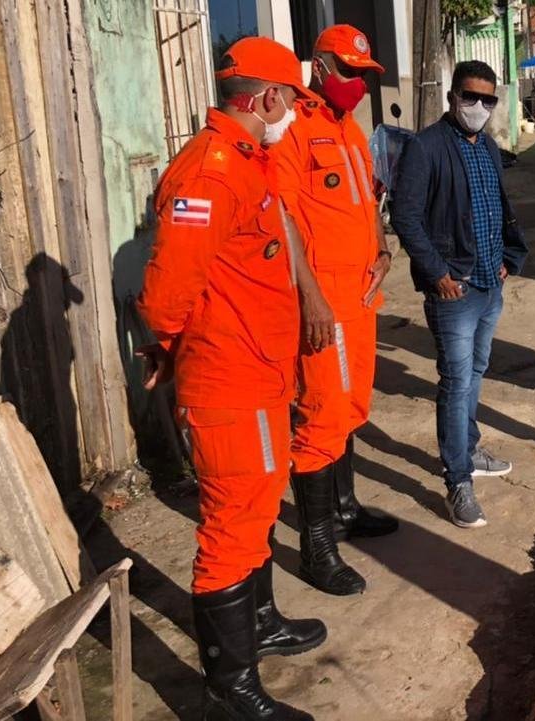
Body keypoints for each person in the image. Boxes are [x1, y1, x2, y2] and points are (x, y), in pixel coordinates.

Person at [138, 37, 322, 721]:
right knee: (230, 530)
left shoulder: (252, 159)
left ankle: (262, 621)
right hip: (229, 380)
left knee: (257, 511)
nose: (296, 113)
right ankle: (229, 688)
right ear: (269, 98)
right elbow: (166, 292)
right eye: (294, 101)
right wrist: (165, 345)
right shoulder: (212, 174)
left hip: (262, 372)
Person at [270, 24, 397, 598]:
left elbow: (366, 201)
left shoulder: (348, 130)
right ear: (319, 69)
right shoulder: (294, 129)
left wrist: (383, 247)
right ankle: (317, 547)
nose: (357, 85)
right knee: (320, 419)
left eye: (365, 76)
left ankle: (344, 508)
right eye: (347, 72)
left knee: (349, 410)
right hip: (324, 303)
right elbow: (284, 219)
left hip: (361, 298)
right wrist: (311, 297)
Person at [390, 60, 528, 529]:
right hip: (455, 289)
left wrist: (508, 258)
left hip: (490, 282)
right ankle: (457, 480)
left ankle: (468, 449)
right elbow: (405, 216)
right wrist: (436, 273)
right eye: (470, 97)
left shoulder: (487, 146)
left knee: (476, 371)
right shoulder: (425, 147)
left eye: (487, 100)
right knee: (455, 382)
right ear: (452, 97)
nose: (478, 107)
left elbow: (497, 209)